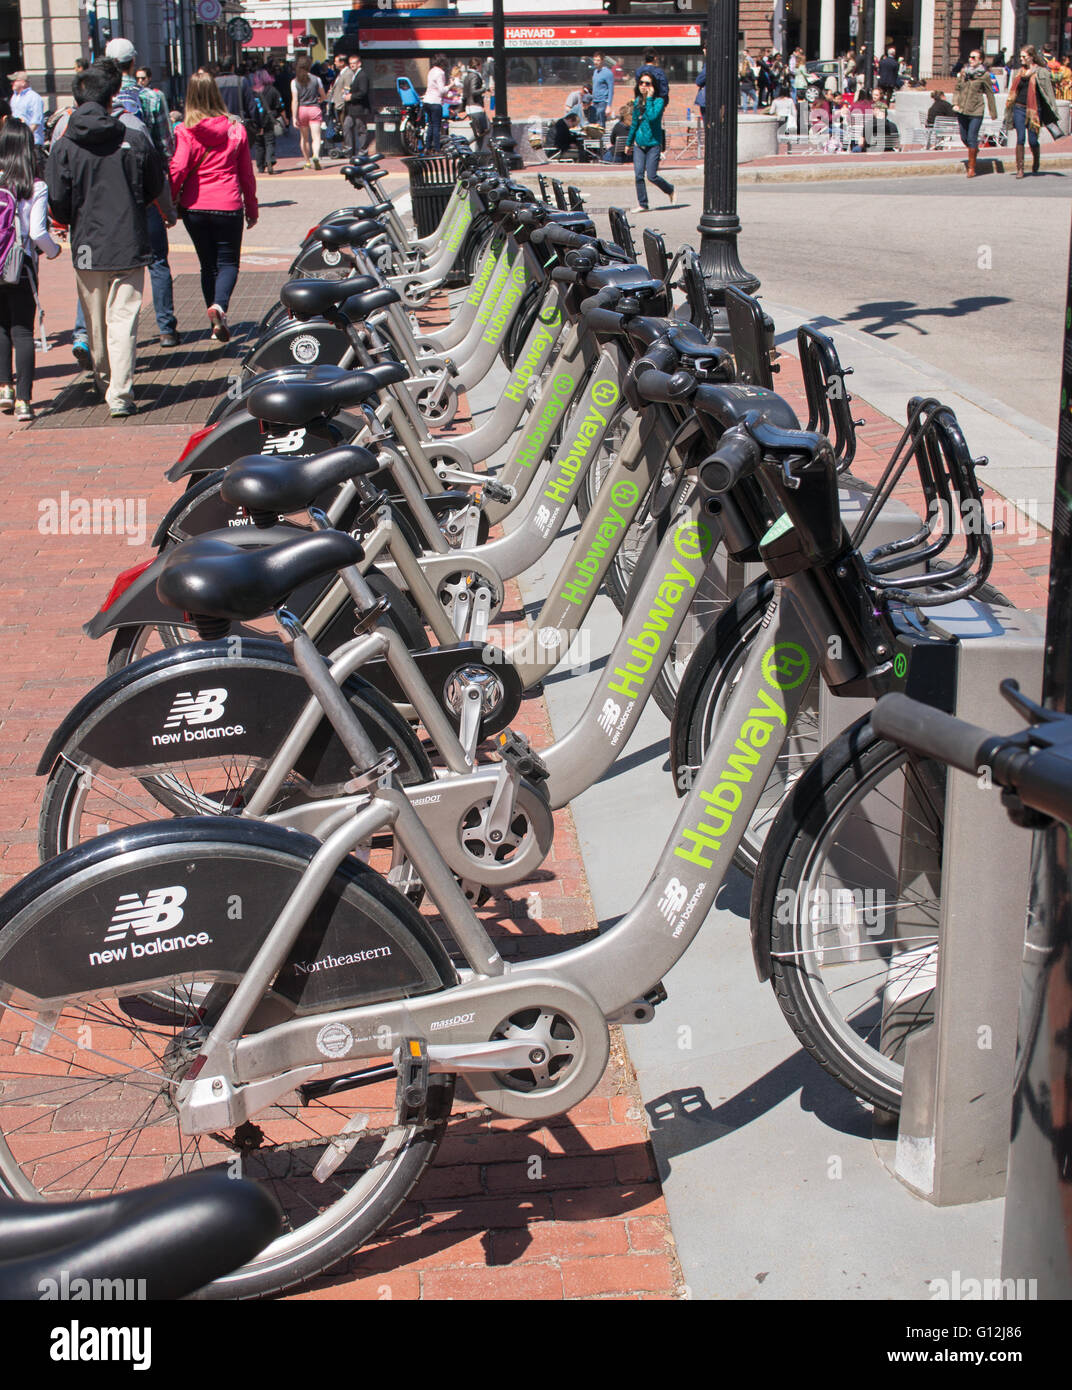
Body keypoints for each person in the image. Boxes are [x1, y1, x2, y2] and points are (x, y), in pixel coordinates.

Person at [46, 65, 164, 417]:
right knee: (124, 319)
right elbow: (154, 186)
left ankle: (104, 379)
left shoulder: (65, 143)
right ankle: (121, 394)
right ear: (112, 95)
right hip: (128, 238)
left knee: (95, 321)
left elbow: (57, 198)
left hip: (86, 243)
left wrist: (70, 219)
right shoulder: (134, 138)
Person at [170, 72, 257, 343]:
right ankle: (219, 307)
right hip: (228, 205)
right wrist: (251, 208)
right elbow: (246, 175)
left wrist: (171, 201)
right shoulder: (236, 130)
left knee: (207, 265)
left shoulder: (184, 130)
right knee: (229, 262)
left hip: (194, 208)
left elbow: (179, 168)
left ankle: (215, 321)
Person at [103, 40, 179, 348]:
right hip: (147, 191)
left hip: (109, 194)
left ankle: (103, 332)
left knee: (109, 267)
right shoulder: (150, 97)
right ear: (134, 62)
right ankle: (166, 328)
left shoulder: (102, 98)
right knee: (158, 261)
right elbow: (166, 148)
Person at [0, 119, 60, 422]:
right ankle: (24, 400)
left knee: (0, 327)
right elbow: (37, 232)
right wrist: (54, 251)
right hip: (19, 265)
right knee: (22, 329)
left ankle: (4, 389)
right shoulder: (35, 186)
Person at [1003, 44, 1059, 178]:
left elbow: (1049, 93)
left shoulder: (1042, 72)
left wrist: (1053, 110)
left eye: (1024, 56)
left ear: (1031, 57)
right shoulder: (1018, 72)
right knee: (1020, 138)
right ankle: (1020, 169)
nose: (1021, 59)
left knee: (1033, 140)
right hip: (1019, 108)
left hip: (1034, 110)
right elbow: (1013, 91)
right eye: (1020, 56)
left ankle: (1036, 161)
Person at [626, 72, 673, 212]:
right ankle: (643, 204)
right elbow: (634, 123)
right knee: (638, 175)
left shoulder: (659, 101)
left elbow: (652, 117)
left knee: (652, 175)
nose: (644, 86)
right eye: (641, 83)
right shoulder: (637, 102)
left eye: (647, 83)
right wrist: (629, 143)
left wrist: (650, 99)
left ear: (653, 86)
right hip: (639, 143)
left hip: (653, 143)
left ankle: (669, 189)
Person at [951, 49, 996, 177]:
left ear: (980, 60)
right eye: (970, 57)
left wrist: (993, 112)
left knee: (972, 137)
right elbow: (957, 89)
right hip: (962, 109)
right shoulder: (964, 73)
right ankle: (974, 150)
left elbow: (989, 93)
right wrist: (955, 103)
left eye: (973, 58)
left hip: (976, 110)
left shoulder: (985, 76)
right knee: (964, 137)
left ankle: (971, 168)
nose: (970, 59)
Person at [291, 55, 325, 169]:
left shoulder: (294, 82)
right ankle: (315, 155)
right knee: (316, 137)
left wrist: (294, 117)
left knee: (304, 138)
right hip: (314, 108)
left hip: (302, 110)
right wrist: (321, 99)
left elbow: (295, 100)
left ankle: (307, 162)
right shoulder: (316, 79)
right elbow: (323, 95)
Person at [248, 68, 284, 174]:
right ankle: (270, 160)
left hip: (256, 119)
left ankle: (260, 165)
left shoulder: (251, 92)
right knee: (269, 141)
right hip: (269, 119)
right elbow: (280, 105)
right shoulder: (272, 90)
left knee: (259, 143)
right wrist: (283, 117)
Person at [342, 53, 372, 158]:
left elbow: (363, 92)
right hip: (352, 108)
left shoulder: (362, 75)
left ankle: (363, 151)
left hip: (360, 108)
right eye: (350, 64)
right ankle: (349, 150)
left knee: (361, 129)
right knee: (347, 125)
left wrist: (351, 96)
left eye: (354, 63)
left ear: (359, 63)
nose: (352, 65)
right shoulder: (355, 75)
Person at [216, 59, 256, 125]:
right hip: (239, 123)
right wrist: (258, 123)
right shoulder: (241, 81)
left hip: (219, 124)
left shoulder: (214, 83)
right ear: (232, 67)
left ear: (218, 68)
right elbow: (251, 105)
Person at [422, 53, 448, 153]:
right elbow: (442, 90)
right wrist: (450, 85)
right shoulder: (440, 72)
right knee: (437, 126)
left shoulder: (431, 71)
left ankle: (427, 147)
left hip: (427, 101)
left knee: (430, 125)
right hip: (435, 101)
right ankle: (437, 148)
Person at [8, 73, 44, 145]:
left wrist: (24, 137)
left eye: (14, 81)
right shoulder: (14, 97)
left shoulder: (34, 98)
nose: (11, 83)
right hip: (17, 141)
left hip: (31, 142)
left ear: (23, 82)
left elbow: (36, 122)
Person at [462, 56, 488, 151]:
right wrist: (484, 88)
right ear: (477, 65)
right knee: (482, 132)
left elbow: (465, 94)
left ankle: (476, 153)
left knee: (480, 132)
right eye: (481, 65)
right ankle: (465, 145)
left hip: (470, 107)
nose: (481, 68)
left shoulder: (467, 76)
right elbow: (473, 91)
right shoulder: (475, 76)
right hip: (475, 107)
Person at [591, 53, 613, 126]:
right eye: (594, 60)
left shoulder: (608, 73)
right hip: (595, 102)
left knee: (600, 124)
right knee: (594, 123)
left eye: (598, 60)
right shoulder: (595, 72)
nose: (595, 62)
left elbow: (611, 90)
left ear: (602, 61)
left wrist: (609, 106)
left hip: (603, 102)